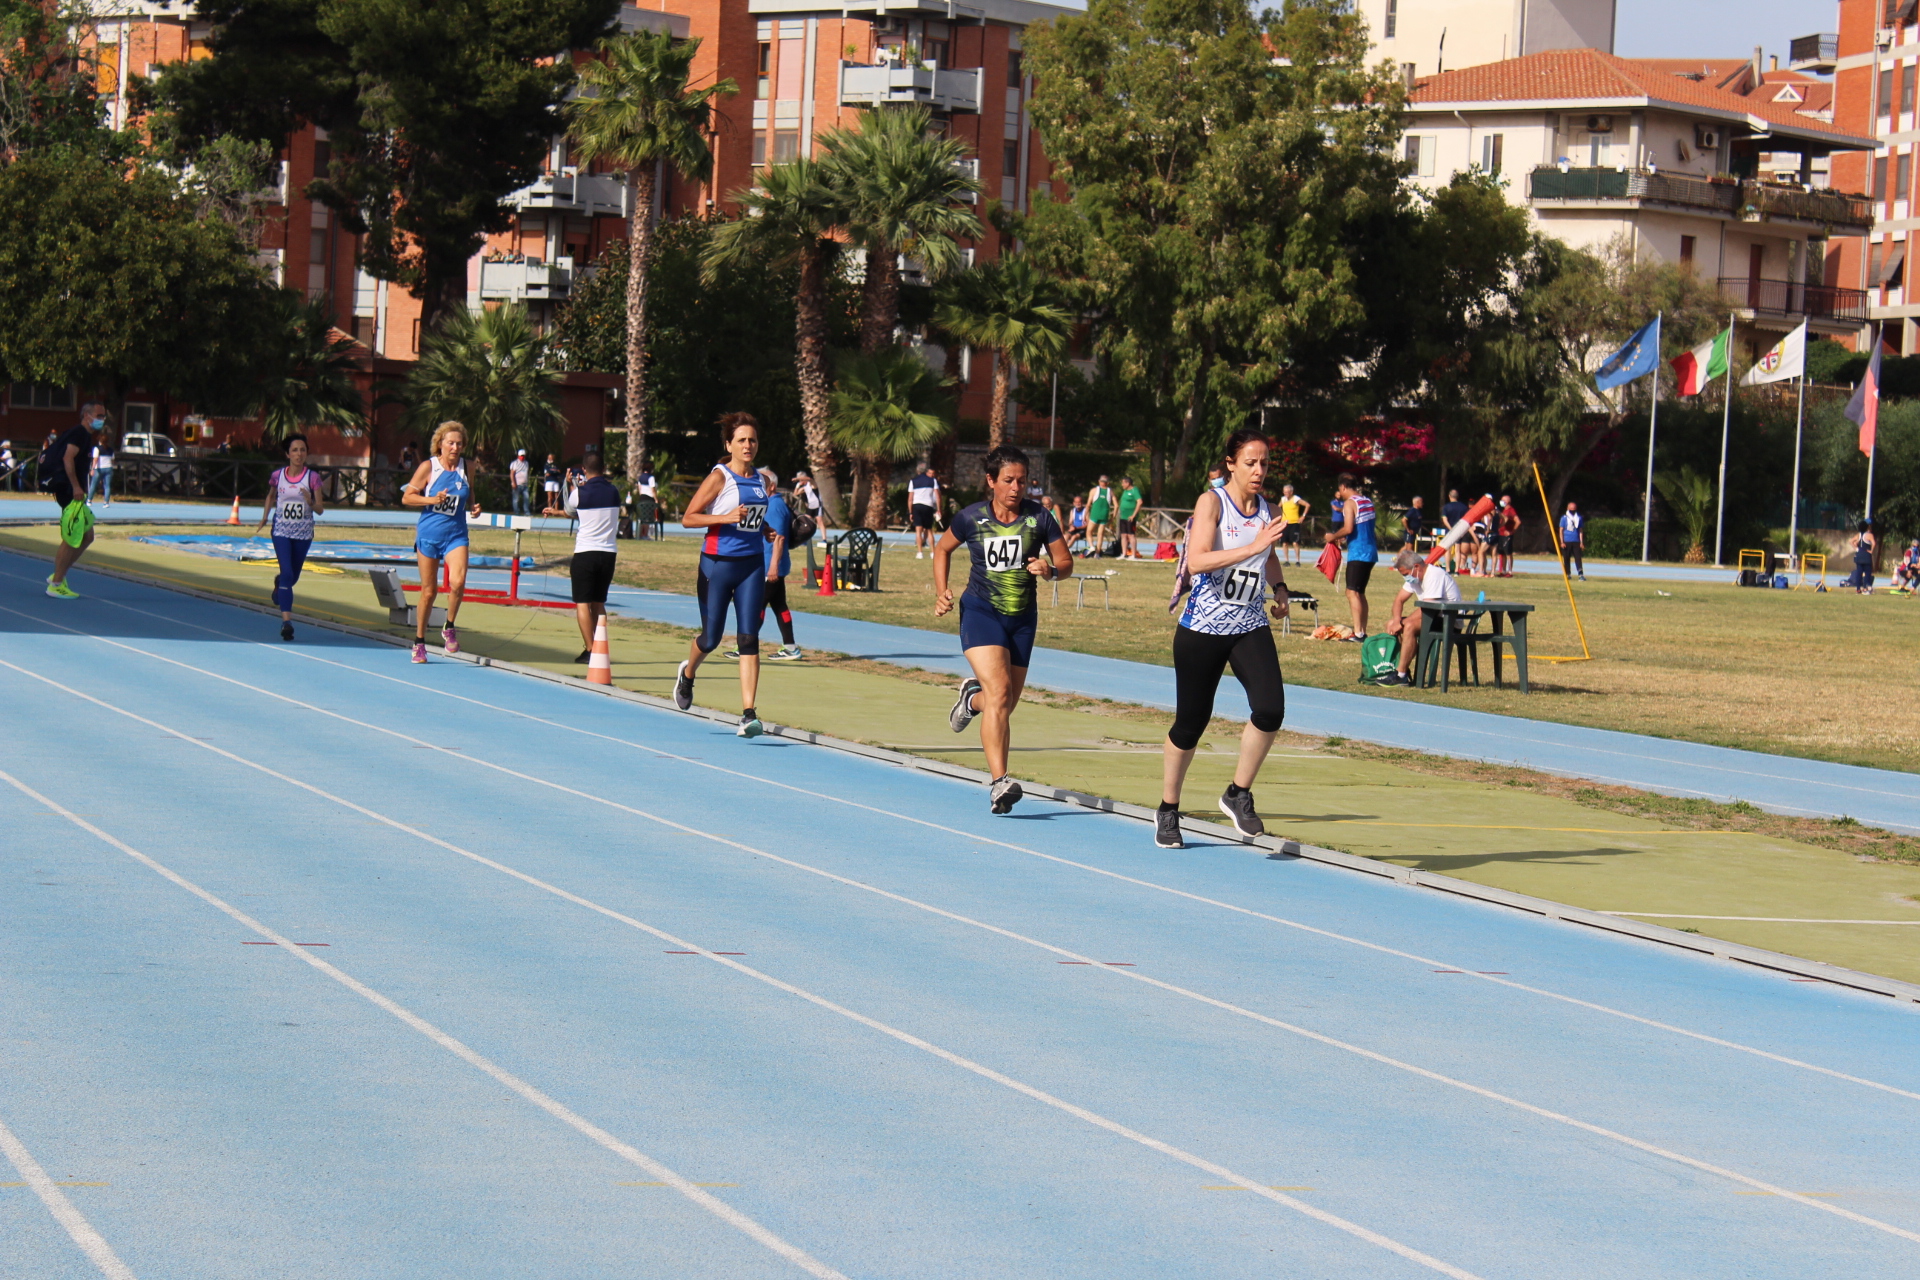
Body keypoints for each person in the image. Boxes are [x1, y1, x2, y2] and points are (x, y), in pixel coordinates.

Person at [1158, 429, 1290, 849]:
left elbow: (1268, 556)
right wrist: (1254, 545)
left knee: (1270, 709)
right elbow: (1197, 561)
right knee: (1191, 723)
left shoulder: (1269, 509)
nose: (1259, 470)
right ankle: (1168, 808)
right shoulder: (1211, 502)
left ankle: (1238, 793)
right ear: (1231, 464)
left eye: (1264, 463)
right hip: (1203, 628)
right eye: (1250, 462)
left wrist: (1280, 589)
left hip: (1249, 625)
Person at [934, 444, 1072, 814]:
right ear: (991, 481)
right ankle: (1000, 782)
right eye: (1009, 480)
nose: (1016, 488)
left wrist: (1050, 570)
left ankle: (970, 700)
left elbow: (1066, 562)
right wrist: (941, 591)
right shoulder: (971, 517)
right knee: (1000, 693)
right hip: (981, 612)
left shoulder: (1039, 517)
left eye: (1022, 481)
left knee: (1003, 703)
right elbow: (942, 549)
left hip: (1022, 617)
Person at [675, 413, 774, 737]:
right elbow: (688, 518)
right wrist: (725, 517)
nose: (748, 445)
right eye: (741, 440)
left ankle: (749, 714)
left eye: (752, 440)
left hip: (752, 565)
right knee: (711, 638)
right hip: (717, 565)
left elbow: (752, 518)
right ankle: (688, 673)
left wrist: (765, 529)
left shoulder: (761, 480)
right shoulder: (719, 477)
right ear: (729, 445)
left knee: (749, 637)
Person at [401, 420, 482, 663]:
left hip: (456, 535)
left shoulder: (468, 467)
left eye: (459, 444)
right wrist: (432, 500)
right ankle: (419, 642)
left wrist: (474, 506)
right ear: (440, 444)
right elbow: (407, 498)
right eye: (450, 443)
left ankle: (449, 626)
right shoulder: (429, 467)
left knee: (458, 582)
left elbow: (469, 492)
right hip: (429, 535)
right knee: (429, 591)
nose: (455, 448)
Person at [540, 448, 621, 659]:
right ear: (604, 468)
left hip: (585, 552)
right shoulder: (614, 492)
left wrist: (570, 485)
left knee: (582, 603)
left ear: (584, 470)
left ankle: (590, 649)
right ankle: (601, 647)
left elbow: (570, 510)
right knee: (599, 603)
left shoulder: (579, 492)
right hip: (608, 553)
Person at [250, 433, 326, 641]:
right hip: (281, 531)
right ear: (287, 454)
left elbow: (320, 509)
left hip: (303, 534)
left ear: (306, 453)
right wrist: (265, 517)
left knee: (292, 578)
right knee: (287, 573)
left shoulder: (312, 478)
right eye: (294, 450)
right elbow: (270, 496)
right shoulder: (278, 476)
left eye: (302, 450)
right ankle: (287, 622)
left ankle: (279, 588)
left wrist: (311, 502)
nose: (299, 454)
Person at [1373, 546, 1463, 688]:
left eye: (1406, 574)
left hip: (1448, 620)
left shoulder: (1434, 575)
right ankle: (1402, 669)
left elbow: (1428, 607)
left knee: (1409, 626)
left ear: (1416, 567)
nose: (1405, 577)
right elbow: (1399, 600)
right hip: (1432, 617)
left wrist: (1403, 624)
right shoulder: (1414, 577)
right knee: (1391, 624)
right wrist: (1396, 621)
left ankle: (1401, 675)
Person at [43, 403, 107, 599]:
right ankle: (56, 583)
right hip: (70, 491)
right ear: (87, 415)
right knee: (73, 536)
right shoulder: (79, 433)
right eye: (99, 415)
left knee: (87, 536)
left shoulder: (84, 436)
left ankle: (58, 574)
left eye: (103, 416)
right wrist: (76, 486)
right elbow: (67, 458)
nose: (102, 419)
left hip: (74, 492)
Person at [744, 467, 803, 661]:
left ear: (772, 486)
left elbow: (779, 538)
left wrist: (773, 566)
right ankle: (791, 647)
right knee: (779, 606)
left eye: (761, 482)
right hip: (768, 563)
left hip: (770, 564)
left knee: (757, 605)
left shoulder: (775, 506)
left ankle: (746, 644)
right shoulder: (767, 503)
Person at [1323, 473, 1377, 641]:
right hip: (1370, 551)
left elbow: (1348, 528)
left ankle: (1358, 633)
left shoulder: (1350, 503)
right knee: (1359, 592)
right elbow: (1361, 527)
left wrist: (1332, 536)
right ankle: (1362, 631)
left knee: (1351, 592)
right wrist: (1344, 538)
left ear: (1343, 487)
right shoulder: (1367, 501)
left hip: (1359, 552)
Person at [908, 464, 942, 557]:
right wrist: (939, 509)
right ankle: (932, 552)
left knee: (918, 531)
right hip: (928, 506)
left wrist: (910, 512)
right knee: (929, 530)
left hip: (917, 506)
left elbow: (910, 499)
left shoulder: (913, 481)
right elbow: (937, 496)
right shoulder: (933, 481)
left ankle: (920, 553)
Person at [1276, 483, 1310, 565]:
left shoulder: (1295, 499)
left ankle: (1297, 560)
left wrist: (1303, 516)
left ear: (1291, 492)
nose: (1286, 494)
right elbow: (1277, 508)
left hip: (1294, 523)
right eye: (1284, 492)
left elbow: (1307, 505)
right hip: (1285, 523)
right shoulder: (1283, 499)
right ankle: (1286, 560)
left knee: (1295, 542)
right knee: (1284, 543)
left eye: (1287, 492)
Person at [1439, 489, 1469, 574]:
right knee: (1457, 550)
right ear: (1457, 496)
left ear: (1449, 496)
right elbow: (1466, 520)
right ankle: (1456, 570)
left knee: (1447, 549)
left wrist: (1451, 529)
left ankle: (1448, 569)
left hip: (1449, 530)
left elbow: (1445, 520)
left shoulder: (1446, 507)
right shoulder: (1463, 507)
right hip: (1459, 530)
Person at [1493, 496, 1521, 577]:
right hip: (1501, 534)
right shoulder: (1504, 510)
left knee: (1508, 553)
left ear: (1507, 501)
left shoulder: (1511, 510)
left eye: (1503, 500)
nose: (1501, 501)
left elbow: (1518, 521)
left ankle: (1510, 571)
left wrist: (1512, 531)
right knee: (1501, 553)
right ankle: (1503, 571)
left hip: (1507, 535)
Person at [1086, 475, 1115, 556]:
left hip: (1095, 514)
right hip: (1104, 515)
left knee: (1089, 532)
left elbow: (1088, 504)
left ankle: (1092, 546)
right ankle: (1097, 553)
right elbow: (1116, 506)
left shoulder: (1094, 490)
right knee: (1100, 535)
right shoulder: (1110, 491)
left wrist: (1086, 514)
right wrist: (1113, 517)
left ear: (1099, 481)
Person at [1116, 476, 1143, 559]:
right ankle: (1124, 553)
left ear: (1128, 483)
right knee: (1123, 535)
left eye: (1123, 483)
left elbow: (1139, 502)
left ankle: (1133, 554)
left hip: (1130, 517)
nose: (1122, 485)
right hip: (1123, 516)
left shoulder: (1135, 490)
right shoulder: (1125, 491)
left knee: (1131, 535)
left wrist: (1134, 515)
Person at [1558, 501, 1585, 581]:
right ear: (1568, 509)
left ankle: (1580, 574)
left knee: (1578, 558)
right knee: (1566, 558)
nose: (1572, 511)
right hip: (1567, 541)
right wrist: (1562, 542)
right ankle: (1568, 574)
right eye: (1571, 509)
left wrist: (1581, 542)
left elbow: (1580, 530)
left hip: (1576, 541)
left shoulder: (1579, 518)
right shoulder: (1564, 518)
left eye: (1574, 509)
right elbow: (1561, 530)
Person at [1851, 520, 1878, 594]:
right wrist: (1871, 550)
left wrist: (1856, 548)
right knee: (1867, 572)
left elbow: (1851, 541)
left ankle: (1858, 589)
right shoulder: (1869, 535)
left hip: (1859, 554)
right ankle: (1865, 588)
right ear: (1867, 527)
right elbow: (1873, 543)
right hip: (1866, 555)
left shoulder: (1858, 535)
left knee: (1859, 572)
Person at [86, 437, 115, 506]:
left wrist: (92, 469)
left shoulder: (97, 448)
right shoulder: (111, 449)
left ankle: (89, 500)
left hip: (99, 468)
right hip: (108, 468)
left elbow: (95, 459)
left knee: (93, 485)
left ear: (100, 441)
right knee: (107, 486)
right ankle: (106, 502)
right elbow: (113, 460)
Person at [509, 448, 531, 516]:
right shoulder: (514, 463)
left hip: (525, 484)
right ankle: (516, 512)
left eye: (523, 456)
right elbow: (512, 474)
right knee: (516, 499)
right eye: (521, 456)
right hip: (517, 484)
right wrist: (513, 483)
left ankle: (526, 512)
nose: (522, 457)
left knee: (526, 499)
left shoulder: (526, 463)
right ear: (518, 456)